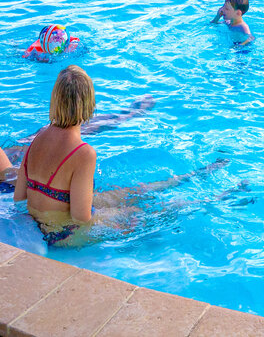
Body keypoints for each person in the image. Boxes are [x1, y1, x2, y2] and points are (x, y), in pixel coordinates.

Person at [15, 66, 226, 246]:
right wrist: (120, 215)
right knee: (143, 211)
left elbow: (20, 196)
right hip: (61, 236)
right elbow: (81, 217)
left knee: (137, 191)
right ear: (90, 104)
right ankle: (218, 198)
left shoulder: (37, 139)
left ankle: (197, 175)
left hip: (39, 226)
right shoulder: (83, 152)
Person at [0, 79, 153, 190]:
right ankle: (124, 116)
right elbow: (26, 186)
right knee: (49, 134)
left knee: (28, 142)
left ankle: (122, 116)